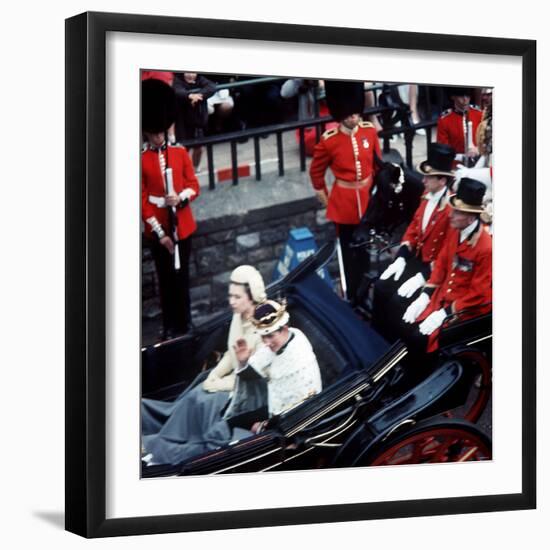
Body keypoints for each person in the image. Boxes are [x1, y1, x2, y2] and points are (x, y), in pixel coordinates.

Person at [141, 265, 267, 465]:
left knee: (201, 401)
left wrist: (217, 384)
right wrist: (215, 374)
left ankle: (163, 445)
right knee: (193, 396)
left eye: (237, 297)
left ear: (251, 296)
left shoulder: (263, 329)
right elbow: (231, 352)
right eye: (230, 296)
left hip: (247, 392)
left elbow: (252, 375)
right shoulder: (237, 316)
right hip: (229, 381)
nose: (231, 302)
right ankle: (161, 433)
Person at [372, 143, 455, 340]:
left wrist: (422, 276)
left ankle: (393, 347)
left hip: (433, 272)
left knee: (398, 302)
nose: (423, 180)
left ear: (442, 180)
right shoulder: (426, 197)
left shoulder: (451, 211)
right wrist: (401, 257)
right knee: (381, 287)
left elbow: (447, 255)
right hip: (415, 260)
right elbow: (414, 230)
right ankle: (374, 337)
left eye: (429, 177)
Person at [400, 177, 492, 355]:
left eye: (457, 212)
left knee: (419, 339)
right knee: (405, 322)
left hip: (463, 310)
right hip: (441, 298)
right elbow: (441, 264)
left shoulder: (486, 247)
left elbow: (478, 293)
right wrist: (425, 295)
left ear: (471, 216)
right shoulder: (455, 230)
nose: (451, 215)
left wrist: (445, 313)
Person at [309, 80, 382, 299]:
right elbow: (316, 174)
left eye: (357, 114)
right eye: (350, 115)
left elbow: (377, 165)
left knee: (366, 250)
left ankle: (365, 288)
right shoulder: (329, 141)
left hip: (367, 200)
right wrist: (327, 199)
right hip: (345, 204)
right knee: (349, 253)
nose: (355, 118)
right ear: (341, 115)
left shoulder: (369, 132)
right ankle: (351, 292)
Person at [141, 78, 200, 340]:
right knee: (165, 281)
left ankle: (186, 323)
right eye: (154, 133)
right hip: (159, 231)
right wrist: (160, 232)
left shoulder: (180, 153)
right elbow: (141, 199)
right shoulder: (141, 160)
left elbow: (194, 185)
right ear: (146, 132)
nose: (158, 137)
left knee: (182, 278)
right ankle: (169, 326)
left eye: (161, 132)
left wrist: (181, 198)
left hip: (183, 226)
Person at [228, 299, 323, 431]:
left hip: (293, 424)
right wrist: (243, 361)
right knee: (231, 422)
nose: (266, 343)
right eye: (263, 337)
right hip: (272, 406)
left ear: (284, 329)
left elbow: (298, 415)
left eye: (270, 336)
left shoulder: (300, 360)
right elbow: (252, 374)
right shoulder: (286, 338)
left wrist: (262, 427)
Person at [173, 72, 217, 169]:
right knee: (183, 149)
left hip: (197, 120)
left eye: (193, 73)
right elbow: (177, 90)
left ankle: (195, 167)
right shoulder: (177, 80)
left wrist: (198, 95)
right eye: (188, 72)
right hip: (182, 121)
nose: (191, 75)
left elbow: (212, 87)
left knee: (199, 147)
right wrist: (189, 96)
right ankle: (184, 170)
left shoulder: (200, 79)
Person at [437, 87, 483, 166]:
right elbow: (444, 150)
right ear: (453, 97)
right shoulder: (445, 120)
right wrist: (462, 157)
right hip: (456, 166)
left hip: (479, 163)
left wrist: (478, 150)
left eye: (467, 96)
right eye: (461, 96)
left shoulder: (479, 114)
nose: (465, 99)